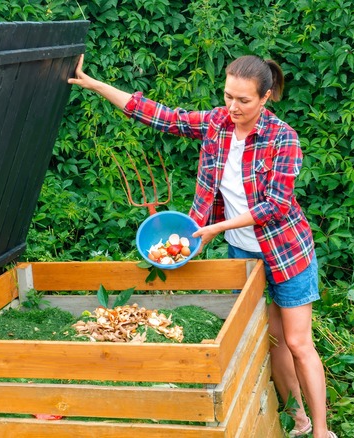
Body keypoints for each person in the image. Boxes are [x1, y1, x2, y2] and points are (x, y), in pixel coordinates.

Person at [69, 54, 335, 438]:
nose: (233, 107)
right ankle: (299, 421)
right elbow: (158, 114)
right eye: (228, 96)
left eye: (244, 100)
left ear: (266, 97)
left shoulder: (283, 138)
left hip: (285, 251)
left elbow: (276, 205)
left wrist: (216, 227)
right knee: (272, 338)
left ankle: (323, 431)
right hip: (242, 253)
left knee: (297, 341)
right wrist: (96, 85)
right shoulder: (217, 124)